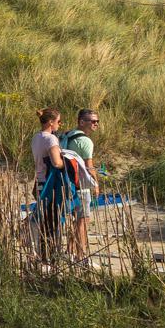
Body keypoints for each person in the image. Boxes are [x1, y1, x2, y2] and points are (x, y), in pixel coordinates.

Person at [60, 108, 101, 259]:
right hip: (80, 185)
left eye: (97, 121)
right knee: (83, 220)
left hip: (65, 183)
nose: (96, 124)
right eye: (93, 121)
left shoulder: (67, 135)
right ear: (81, 122)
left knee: (75, 220)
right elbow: (89, 166)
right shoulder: (85, 141)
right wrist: (95, 185)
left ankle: (69, 251)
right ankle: (80, 255)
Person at [30, 109, 67, 255]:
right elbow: (57, 163)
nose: (60, 124)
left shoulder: (36, 137)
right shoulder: (51, 139)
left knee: (44, 222)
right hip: (50, 184)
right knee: (52, 222)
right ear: (51, 122)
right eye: (59, 121)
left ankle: (44, 254)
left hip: (39, 182)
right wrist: (71, 163)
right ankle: (50, 256)